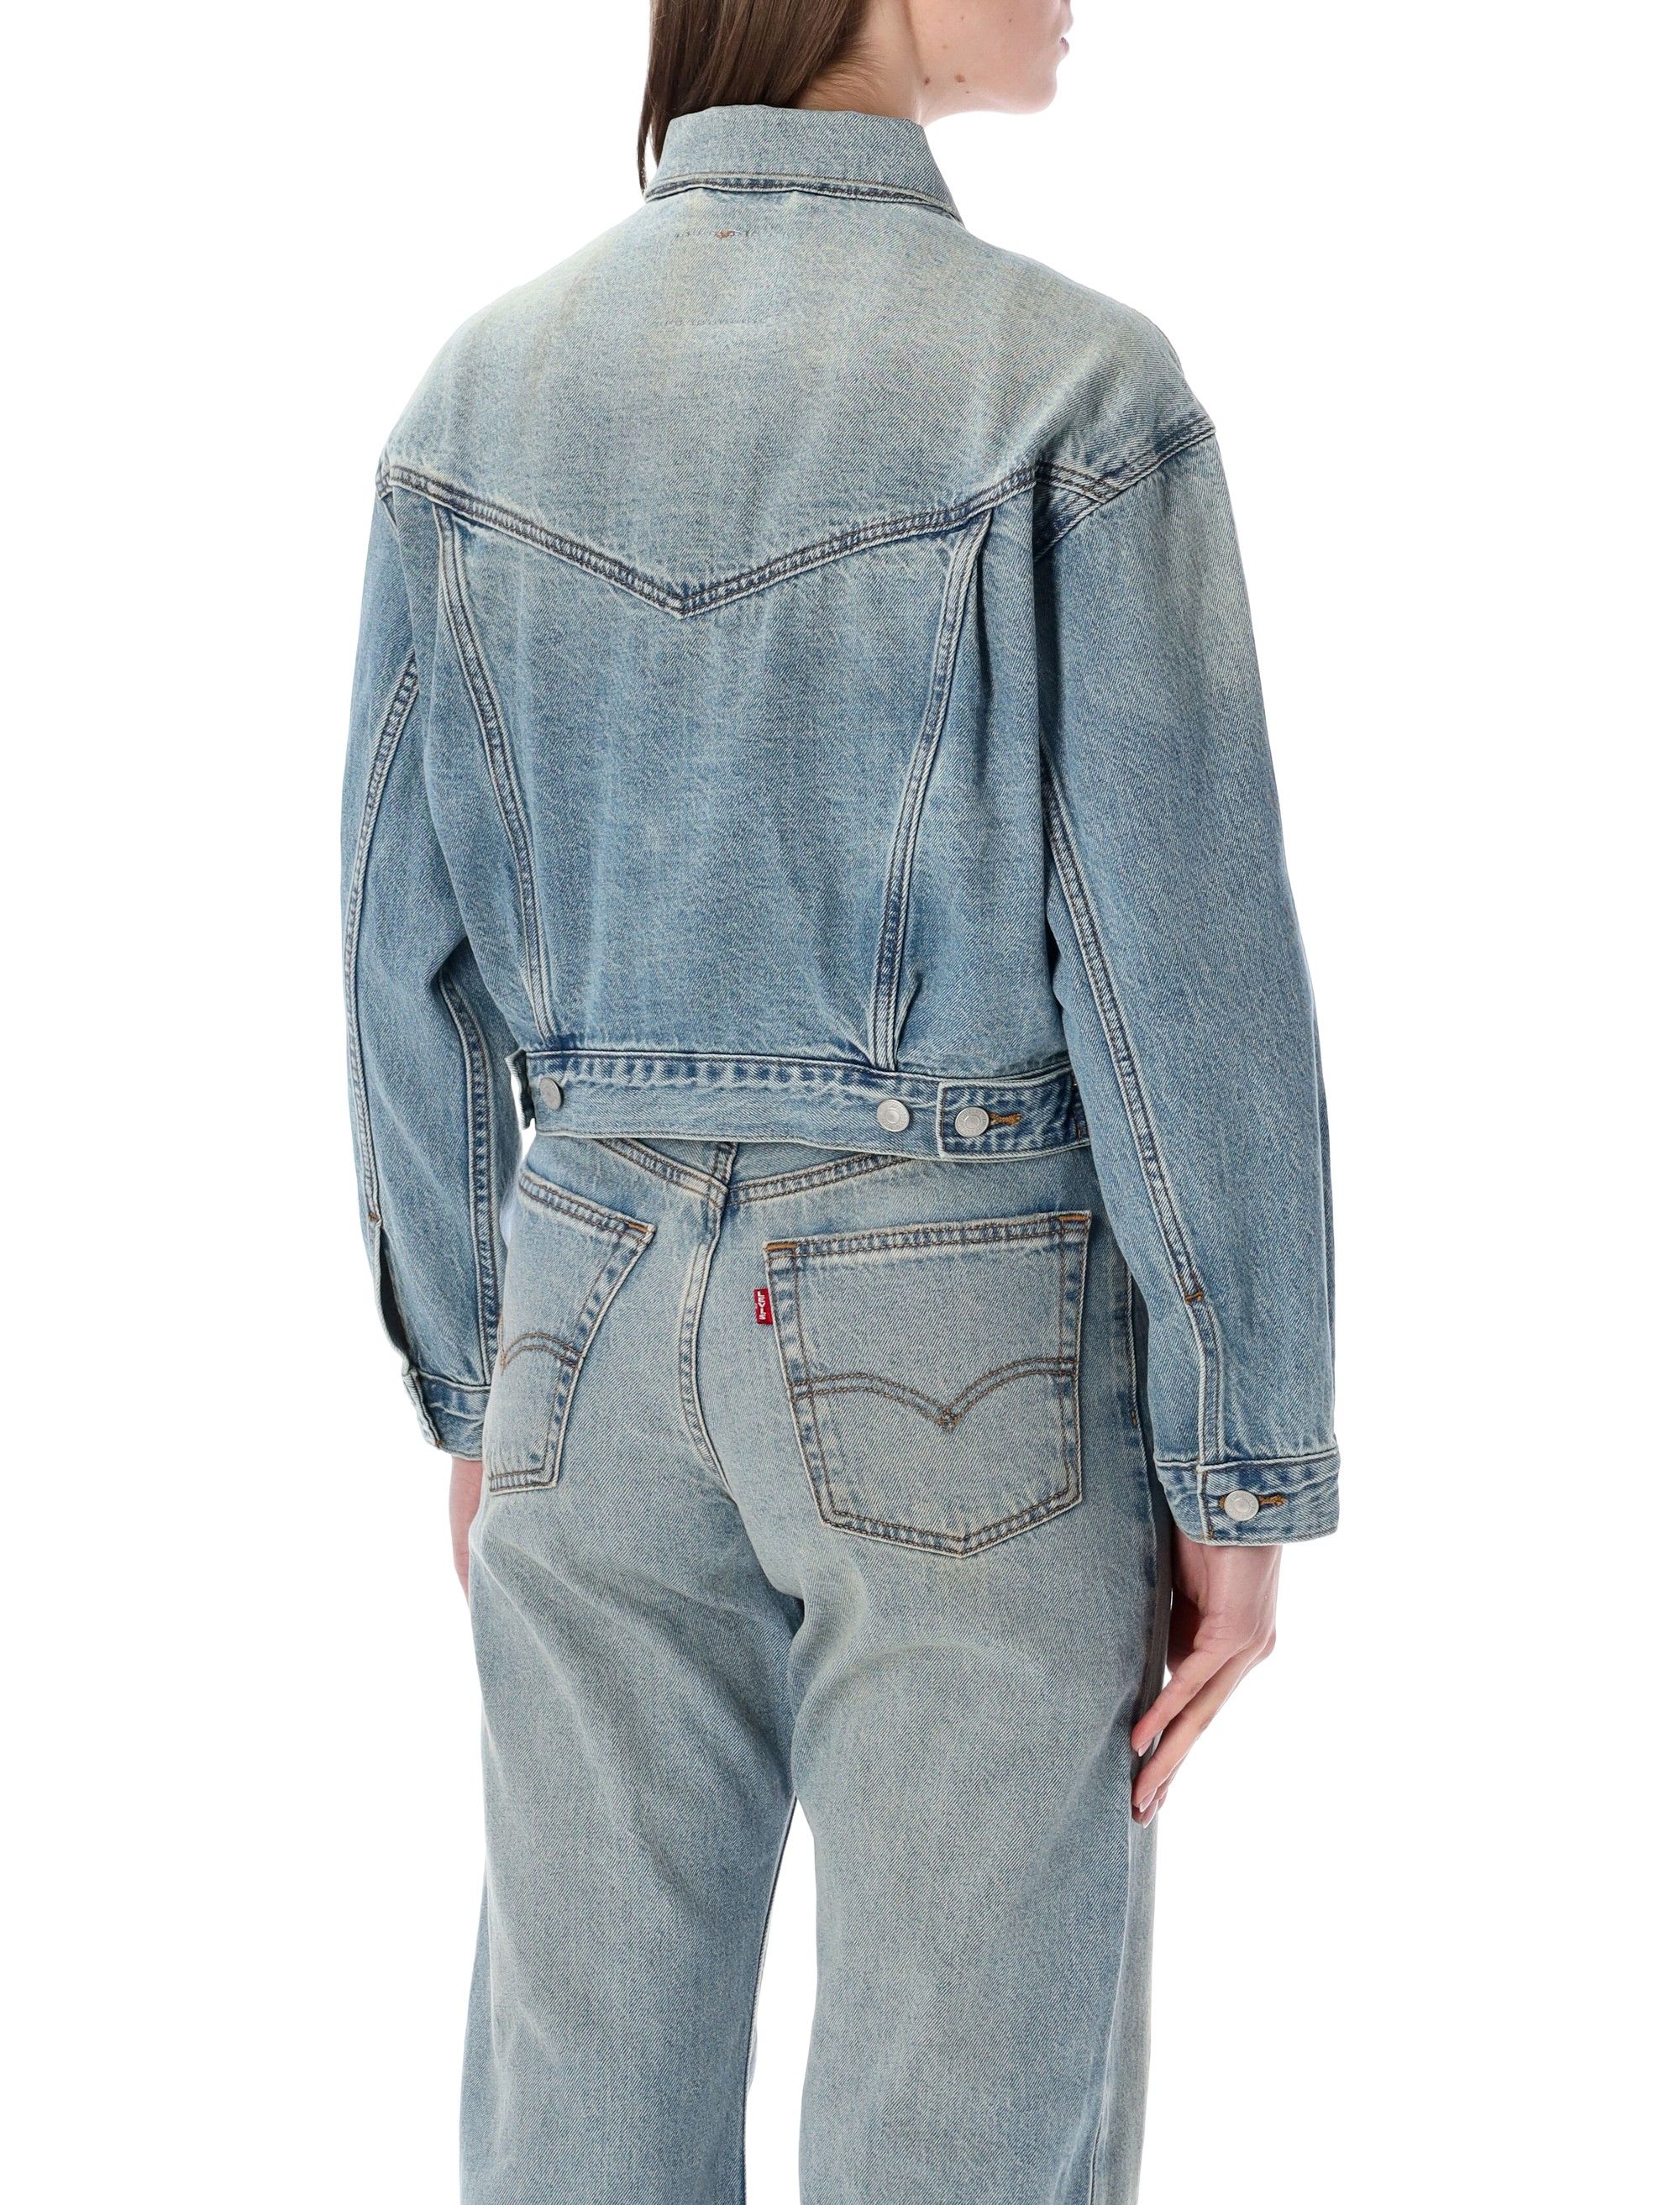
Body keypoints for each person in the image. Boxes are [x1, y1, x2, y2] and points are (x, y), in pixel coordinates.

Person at [339, 3, 1338, 2197]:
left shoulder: (475, 399)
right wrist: (1238, 1464)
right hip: (968, 1336)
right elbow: (1184, 974)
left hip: (589, 1308)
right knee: (960, 2130)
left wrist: (477, 1376)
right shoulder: (1074, 395)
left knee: (581, 2106)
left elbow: (400, 951)